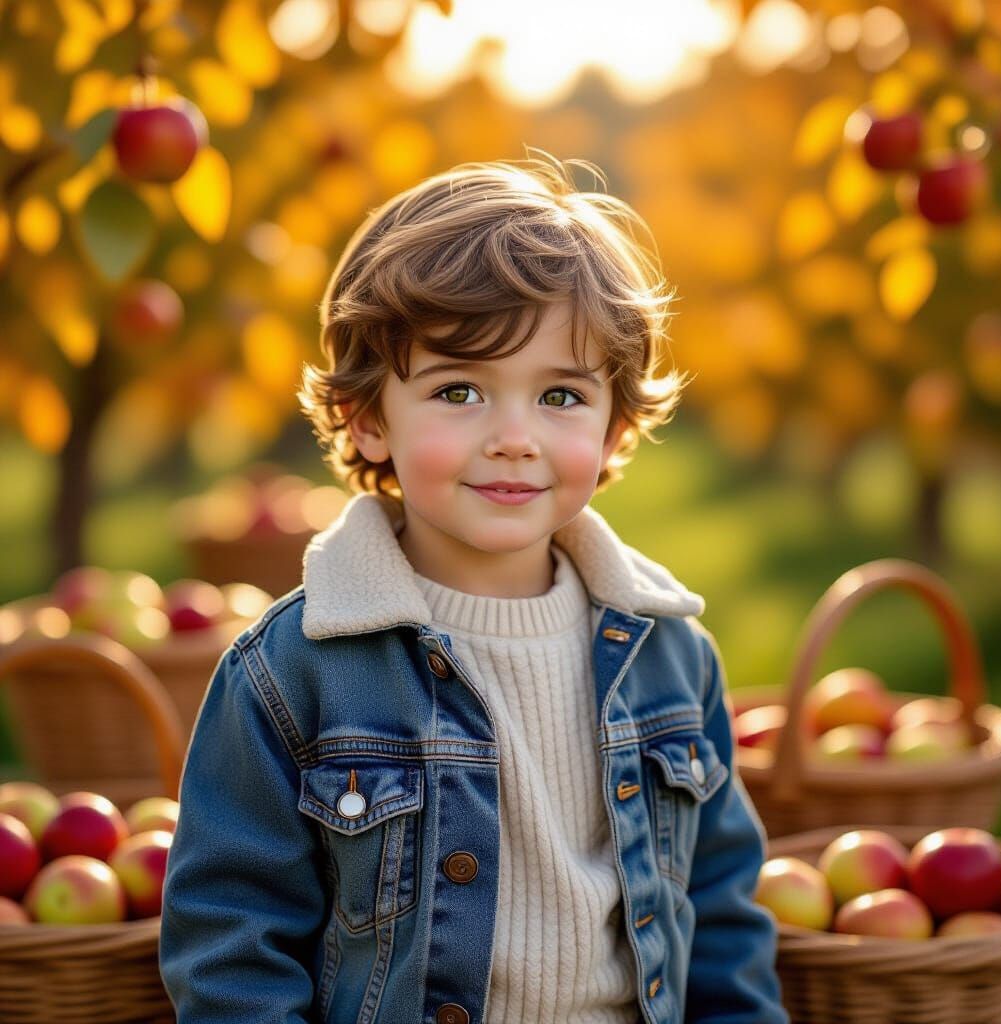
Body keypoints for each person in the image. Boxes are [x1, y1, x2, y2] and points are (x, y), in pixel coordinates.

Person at [160, 153, 788, 1024]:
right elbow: (232, 944)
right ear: (370, 419)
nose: (514, 437)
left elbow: (719, 920)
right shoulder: (292, 673)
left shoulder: (670, 657)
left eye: (562, 395)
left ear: (613, 427)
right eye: (460, 390)